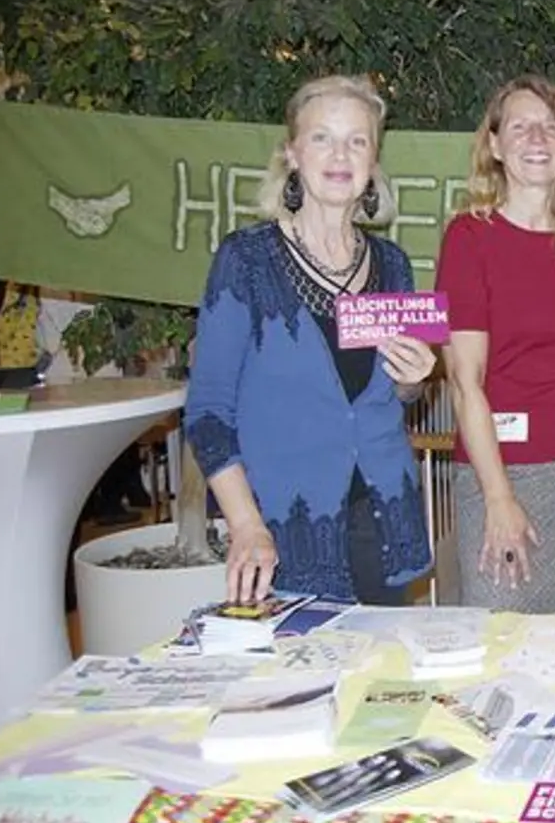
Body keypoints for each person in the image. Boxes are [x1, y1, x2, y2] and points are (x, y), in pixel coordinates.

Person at [184, 74, 438, 606]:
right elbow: (207, 412)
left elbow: (388, 398)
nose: (340, 154)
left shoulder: (392, 265)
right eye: (322, 137)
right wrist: (246, 525)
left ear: (373, 162)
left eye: (358, 140)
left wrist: (414, 383)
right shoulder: (246, 261)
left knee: (382, 684)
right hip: (282, 531)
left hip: (383, 520)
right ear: (292, 153)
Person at [435, 75, 555, 615]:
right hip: (502, 474)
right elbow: (464, 381)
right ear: (494, 146)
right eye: (520, 127)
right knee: (500, 644)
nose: (537, 139)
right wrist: (498, 498)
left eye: (550, 127)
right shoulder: (468, 239)